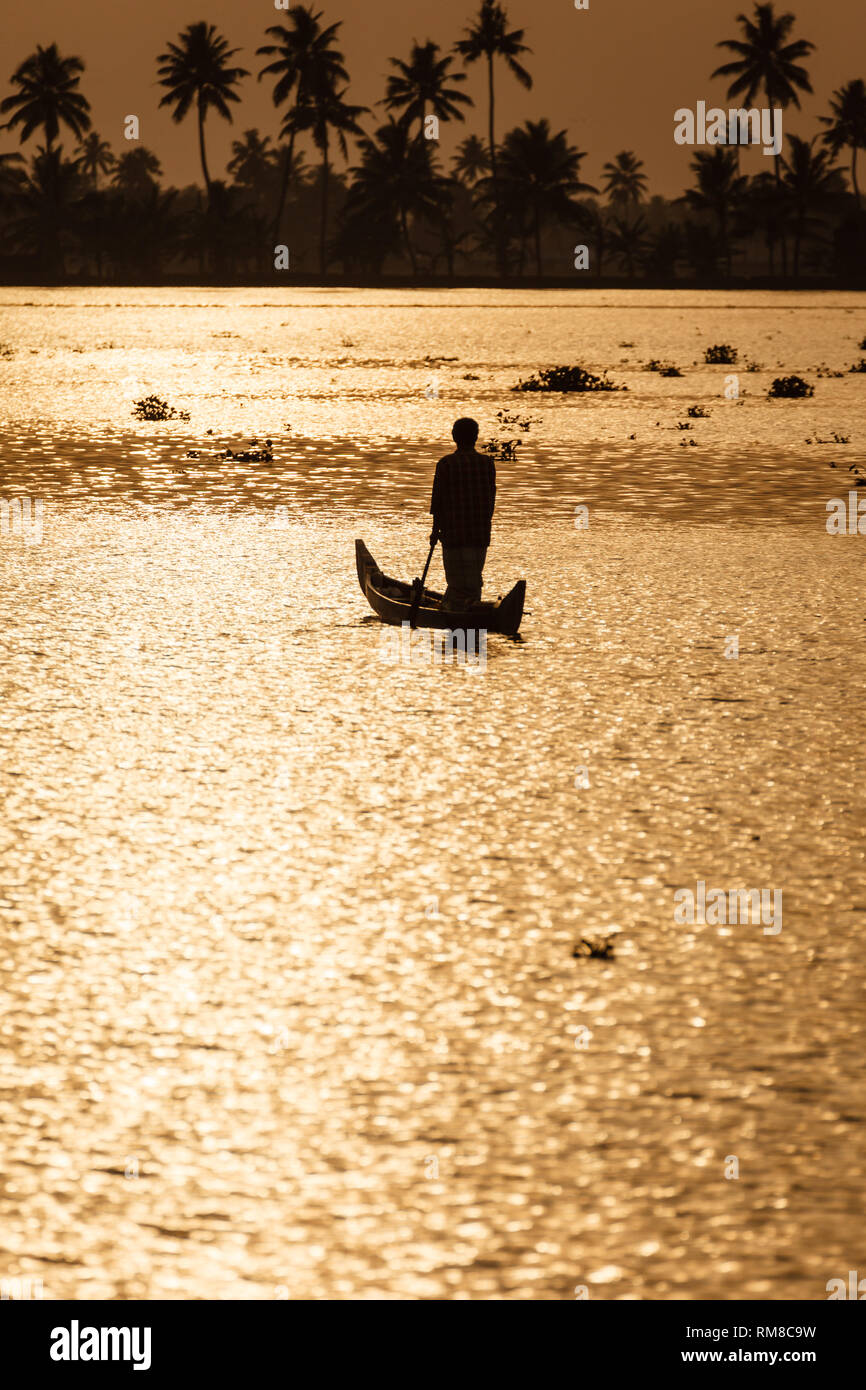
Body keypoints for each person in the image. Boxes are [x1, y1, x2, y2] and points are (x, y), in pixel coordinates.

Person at [429, 418, 496, 610]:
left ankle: (458, 613)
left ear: (454, 437)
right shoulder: (487, 463)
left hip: (454, 534)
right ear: (475, 437)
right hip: (479, 534)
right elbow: (491, 500)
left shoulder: (446, 464)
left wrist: (435, 531)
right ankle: (470, 612)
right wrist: (484, 524)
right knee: (473, 580)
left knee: (457, 581)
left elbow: (438, 502)